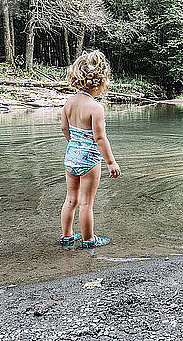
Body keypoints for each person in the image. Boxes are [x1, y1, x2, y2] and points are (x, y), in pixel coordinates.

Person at [59, 50, 121, 249]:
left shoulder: (69, 102)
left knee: (71, 199)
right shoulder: (96, 108)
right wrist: (111, 162)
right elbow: (100, 138)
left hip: (71, 157)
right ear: (99, 83)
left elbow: (64, 128)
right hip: (89, 160)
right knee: (86, 203)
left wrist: (74, 143)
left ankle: (67, 237)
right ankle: (88, 240)